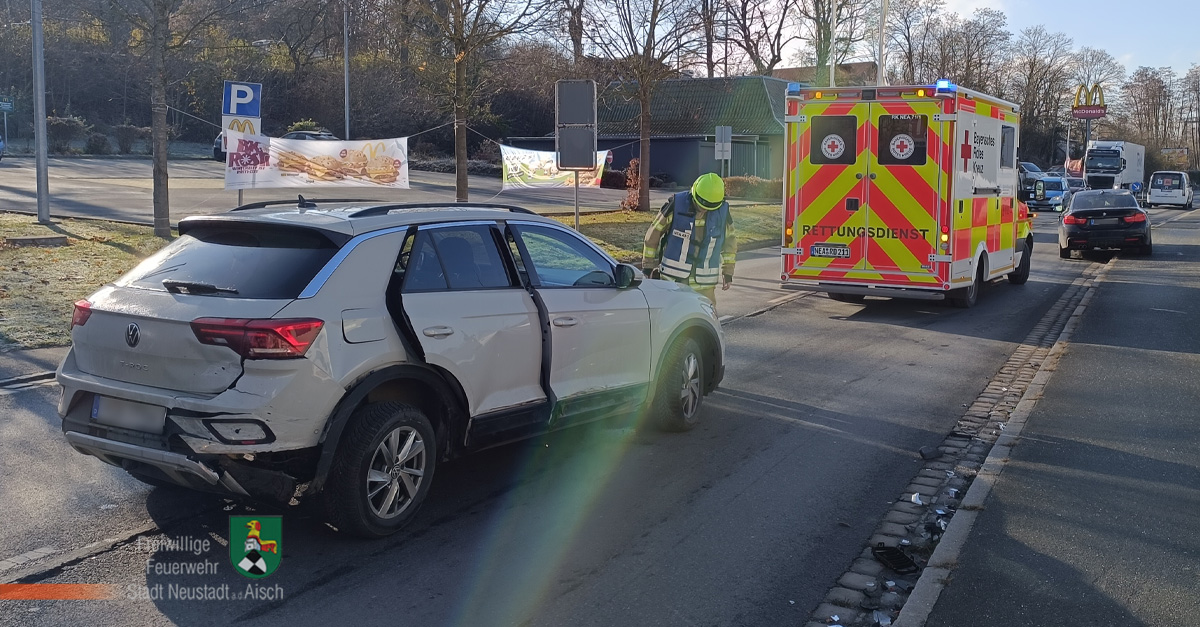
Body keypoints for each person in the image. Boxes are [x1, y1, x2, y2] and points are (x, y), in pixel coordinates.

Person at [642, 172, 736, 310]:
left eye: (709, 206)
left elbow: (730, 243)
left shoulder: (722, 212)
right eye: (702, 205)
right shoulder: (676, 204)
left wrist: (728, 272)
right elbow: (653, 235)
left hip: (705, 285)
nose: (704, 210)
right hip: (673, 282)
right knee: (670, 321)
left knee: (706, 322)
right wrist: (648, 266)